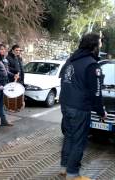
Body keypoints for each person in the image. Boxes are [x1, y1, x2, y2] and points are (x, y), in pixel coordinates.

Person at [59, 33, 107, 180]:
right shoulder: (92, 65)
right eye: (99, 43)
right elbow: (96, 92)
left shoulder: (70, 61)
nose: (100, 46)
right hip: (79, 108)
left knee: (69, 137)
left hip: (66, 104)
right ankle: (73, 174)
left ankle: (64, 168)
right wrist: (101, 111)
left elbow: (63, 80)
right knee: (79, 140)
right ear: (93, 46)